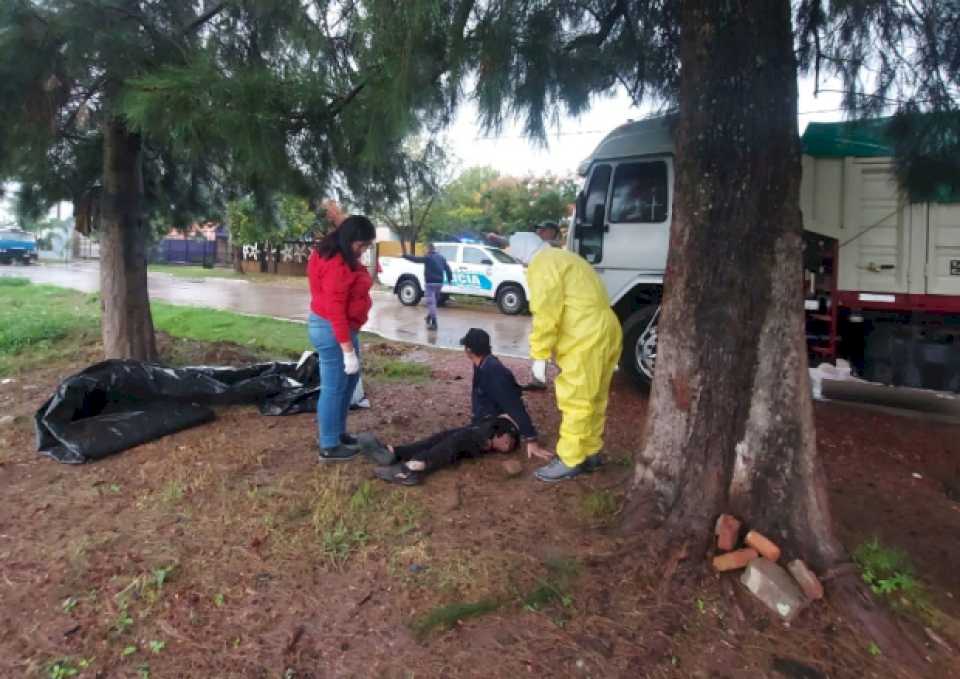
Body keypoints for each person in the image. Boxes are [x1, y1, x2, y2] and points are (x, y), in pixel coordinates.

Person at [508, 232, 622, 483]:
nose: (522, 265)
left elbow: (546, 313)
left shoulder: (542, 264)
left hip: (583, 334)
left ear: (523, 254)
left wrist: (539, 354)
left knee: (576, 399)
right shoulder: (566, 257)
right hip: (607, 328)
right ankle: (591, 453)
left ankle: (570, 460)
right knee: (595, 396)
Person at [307, 215, 376, 462]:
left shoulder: (340, 251)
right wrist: (347, 351)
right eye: (362, 245)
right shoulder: (336, 263)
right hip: (333, 330)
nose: (363, 250)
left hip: (342, 330)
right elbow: (335, 309)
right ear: (350, 239)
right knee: (334, 387)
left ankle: (338, 433)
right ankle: (328, 445)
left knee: (349, 381)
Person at [369, 416, 519, 486]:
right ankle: (396, 452)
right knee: (443, 437)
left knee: (458, 440)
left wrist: (526, 439)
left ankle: (414, 468)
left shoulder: (496, 372)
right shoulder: (485, 368)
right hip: (488, 424)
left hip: (500, 430)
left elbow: (517, 427)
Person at [403, 243, 453, 330]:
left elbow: (416, 259)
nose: (425, 251)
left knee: (431, 303)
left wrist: (405, 255)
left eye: (426, 249)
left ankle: (434, 323)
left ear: (429, 249)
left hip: (430, 284)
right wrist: (449, 279)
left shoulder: (428, 257)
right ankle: (429, 317)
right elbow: (448, 269)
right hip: (439, 283)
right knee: (434, 302)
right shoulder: (441, 257)